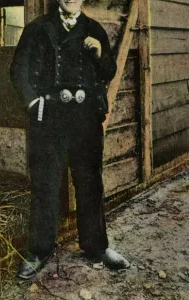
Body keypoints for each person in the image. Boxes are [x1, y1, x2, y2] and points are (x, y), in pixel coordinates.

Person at [10, 0, 130, 280]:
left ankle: (97, 246)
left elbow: (109, 72)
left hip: (85, 121)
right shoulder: (37, 29)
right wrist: (32, 102)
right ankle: (39, 250)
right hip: (49, 120)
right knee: (45, 183)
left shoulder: (94, 29)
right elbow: (18, 70)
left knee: (90, 183)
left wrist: (100, 55)